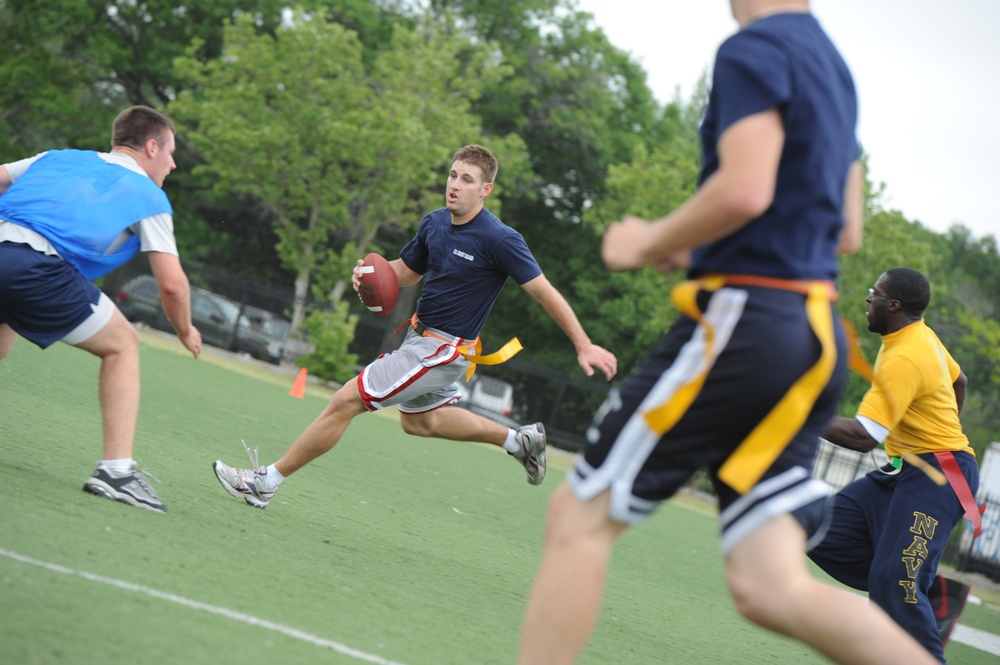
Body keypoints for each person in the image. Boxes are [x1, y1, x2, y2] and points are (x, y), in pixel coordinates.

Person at [517, 2, 939, 664]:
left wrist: (645, 239)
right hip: (814, 333)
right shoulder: (835, 67)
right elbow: (845, 229)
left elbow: (744, 189)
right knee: (769, 585)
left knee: (579, 518)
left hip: (747, 325)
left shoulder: (753, 48)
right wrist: (700, 251)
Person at [212, 144, 617, 509]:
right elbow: (404, 273)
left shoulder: (501, 239)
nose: (455, 185)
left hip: (442, 351)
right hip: (418, 338)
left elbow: (544, 292)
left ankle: (266, 481)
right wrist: (370, 275)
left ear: (486, 190)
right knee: (419, 422)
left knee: (344, 401)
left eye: (467, 180)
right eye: (453, 175)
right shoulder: (435, 223)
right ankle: (517, 440)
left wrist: (583, 345)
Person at [0, 106, 203, 514]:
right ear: (150, 147)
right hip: (36, 266)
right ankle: (116, 471)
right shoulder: (150, 196)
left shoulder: (57, 158)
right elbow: (172, 285)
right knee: (123, 345)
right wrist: (185, 329)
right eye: (170, 152)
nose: (173, 163)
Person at [807, 267, 980, 663]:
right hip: (907, 470)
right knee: (816, 528)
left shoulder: (906, 355)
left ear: (893, 304)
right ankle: (931, 592)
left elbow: (863, 436)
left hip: (941, 475)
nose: (868, 299)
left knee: (896, 579)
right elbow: (961, 381)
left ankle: (915, 591)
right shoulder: (916, 335)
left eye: (875, 293)